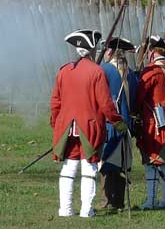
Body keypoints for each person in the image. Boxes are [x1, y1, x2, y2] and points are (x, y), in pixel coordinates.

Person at [50, 29, 125, 218]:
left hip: (67, 128)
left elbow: (55, 102)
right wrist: (118, 123)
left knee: (69, 166)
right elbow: (106, 104)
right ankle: (86, 209)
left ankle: (65, 208)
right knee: (89, 167)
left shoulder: (64, 70)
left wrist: (56, 123)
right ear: (91, 49)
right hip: (89, 127)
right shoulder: (97, 71)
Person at [135, 35, 165, 209]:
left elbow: (139, 98)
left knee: (152, 162)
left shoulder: (152, 71)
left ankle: (152, 201)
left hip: (154, 123)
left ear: (152, 52)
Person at [99, 37, 139, 210]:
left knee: (107, 162)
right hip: (126, 123)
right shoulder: (130, 73)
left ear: (110, 51)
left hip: (111, 123)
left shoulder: (104, 70)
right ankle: (119, 201)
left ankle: (107, 201)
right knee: (122, 162)